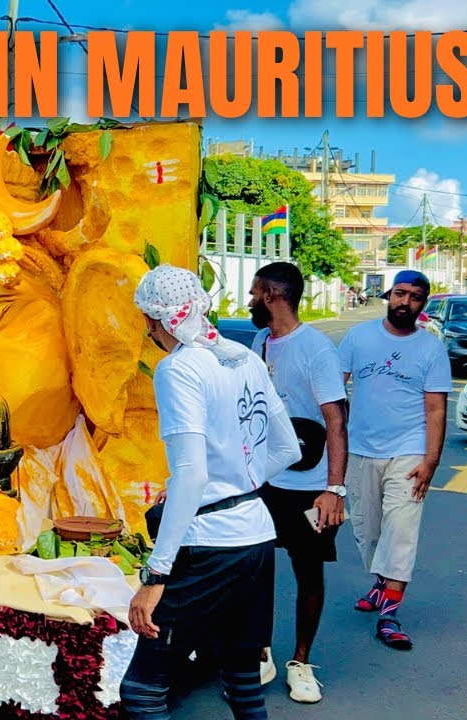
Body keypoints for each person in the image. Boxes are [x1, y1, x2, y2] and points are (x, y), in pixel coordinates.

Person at [121, 265, 301, 720]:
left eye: (147, 319)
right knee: (242, 680)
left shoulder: (178, 368)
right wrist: (238, 482)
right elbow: (287, 448)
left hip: (209, 546)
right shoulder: (244, 357)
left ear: (156, 319)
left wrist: (154, 577)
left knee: (143, 690)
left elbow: (191, 473)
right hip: (256, 537)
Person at [247, 262, 349, 703]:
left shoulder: (317, 350)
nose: (250, 300)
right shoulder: (259, 341)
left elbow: (337, 422)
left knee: (308, 575)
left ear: (271, 294)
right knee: (253, 569)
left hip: (310, 486)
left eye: (254, 292)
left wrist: (334, 489)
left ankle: (301, 663)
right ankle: (260, 650)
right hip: (265, 481)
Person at [337, 270, 450, 651]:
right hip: (361, 449)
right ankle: (381, 583)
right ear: (388, 295)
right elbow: (335, 392)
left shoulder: (431, 349)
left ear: (423, 303)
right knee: (367, 531)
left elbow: (435, 409)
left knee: (400, 530)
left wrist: (431, 461)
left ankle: (389, 615)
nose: (406, 302)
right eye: (400, 293)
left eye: (415, 297)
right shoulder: (359, 337)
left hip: (410, 450)